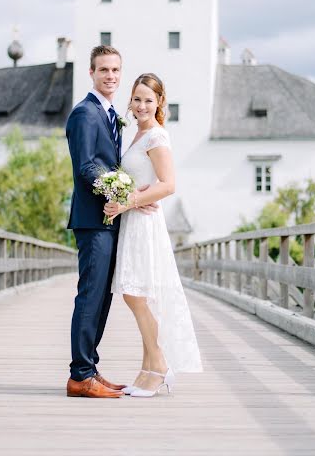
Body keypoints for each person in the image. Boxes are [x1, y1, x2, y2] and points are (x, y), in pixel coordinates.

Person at [65, 45, 155, 398]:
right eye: (104, 70)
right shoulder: (85, 114)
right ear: (91, 73)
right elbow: (86, 167)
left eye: (116, 70)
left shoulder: (110, 113)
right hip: (93, 219)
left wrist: (132, 199)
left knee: (101, 297)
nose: (111, 76)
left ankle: (89, 367)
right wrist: (123, 196)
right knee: (90, 296)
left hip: (109, 218)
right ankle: (80, 375)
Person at [104, 73, 202, 398]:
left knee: (136, 294)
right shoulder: (136, 135)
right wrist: (123, 199)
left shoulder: (157, 136)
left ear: (159, 102)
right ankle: (147, 368)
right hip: (133, 221)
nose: (142, 105)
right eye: (137, 99)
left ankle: (159, 364)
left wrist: (128, 201)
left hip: (145, 223)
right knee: (136, 294)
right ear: (130, 103)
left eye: (149, 99)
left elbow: (168, 184)